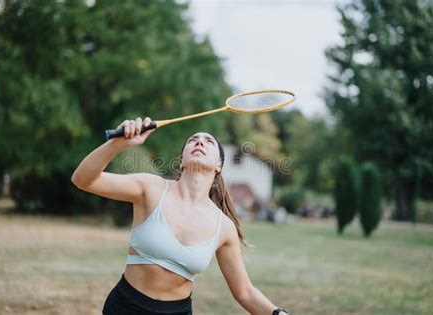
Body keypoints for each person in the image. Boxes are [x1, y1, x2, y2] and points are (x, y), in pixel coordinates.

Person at [71, 116, 290, 315]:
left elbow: (244, 292)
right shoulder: (151, 188)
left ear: (218, 166)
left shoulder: (223, 227)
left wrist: (277, 313)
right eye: (193, 140)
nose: (200, 142)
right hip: (125, 307)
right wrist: (119, 143)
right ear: (182, 159)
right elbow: (83, 179)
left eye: (208, 141)